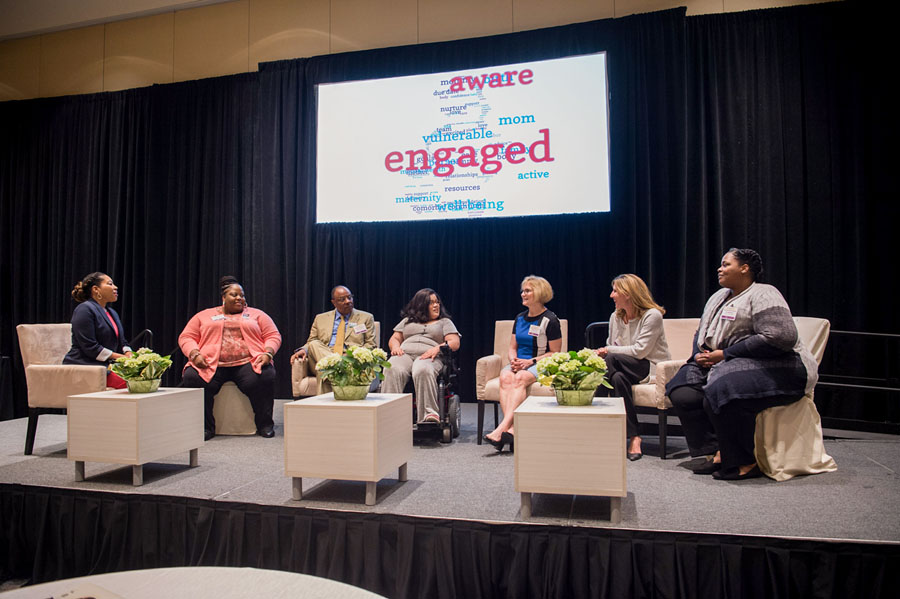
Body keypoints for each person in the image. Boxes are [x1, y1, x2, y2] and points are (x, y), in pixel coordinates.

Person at [665, 248, 819, 480]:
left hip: (780, 364)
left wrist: (725, 354)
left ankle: (745, 461)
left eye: (726, 264)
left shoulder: (764, 293)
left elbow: (781, 336)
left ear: (744, 268)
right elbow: (702, 331)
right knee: (681, 390)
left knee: (724, 388)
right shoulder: (717, 296)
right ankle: (716, 452)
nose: (720, 268)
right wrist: (699, 353)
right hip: (721, 361)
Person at [179, 276, 282, 440]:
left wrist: (268, 353)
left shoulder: (257, 315)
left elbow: (273, 335)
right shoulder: (204, 315)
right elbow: (186, 337)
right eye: (234, 295)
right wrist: (194, 354)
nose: (239, 298)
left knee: (266, 374)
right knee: (192, 377)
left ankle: (265, 424)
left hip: (247, 363)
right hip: (212, 364)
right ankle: (206, 427)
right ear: (223, 298)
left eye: (242, 295)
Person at [595, 274, 671, 461]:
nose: (612, 295)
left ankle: (595, 422)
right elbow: (612, 343)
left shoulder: (652, 315)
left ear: (628, 294)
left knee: (610, 360)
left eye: (615, 291)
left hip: (651, 368)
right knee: (617, 378)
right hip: (624, 368)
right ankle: (634, 436)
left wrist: (607, 350)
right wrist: (609, 350)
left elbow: (639, 351)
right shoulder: (616, 316)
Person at [484, 275, 562, 452]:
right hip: (519, 362)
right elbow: (512, 347)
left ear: (539, 293)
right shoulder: (519, 318)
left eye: (527, 291)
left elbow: (555, 353)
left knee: (520, 378)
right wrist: (513, 360)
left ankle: (502, 428)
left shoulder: (550, 319)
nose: (523, 294)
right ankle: (512, 430)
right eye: (523, 291)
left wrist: (530, 362)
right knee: (505, 377)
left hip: (540, 362)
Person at [381, 289, 461, 423]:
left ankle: (429, 414)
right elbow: (394, 338)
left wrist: (438, 347)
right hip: (405, 354)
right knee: (392, 368)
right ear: (421, 305)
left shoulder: (444, 322)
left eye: (437, 302)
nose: (436, 306)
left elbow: (454, 342)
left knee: (422, 369)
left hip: (429, 355)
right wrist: (395, 347)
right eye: (431, 303)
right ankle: (389, 414)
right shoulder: (407, 321)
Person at [290, 285, 376, 394]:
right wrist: (304, 350)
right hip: (323, 352)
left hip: (349, 358)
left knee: (323, 370)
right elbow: (311, 341)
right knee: (314, 344)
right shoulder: (320, 318)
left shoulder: (366, 318)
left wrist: (351, 356)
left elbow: (370, 345)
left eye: (350, 297)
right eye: (342, 299)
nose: (348, 301)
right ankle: (337, 366)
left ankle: (332, 372)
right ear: (334, 302)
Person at [63, 272, 133, 389]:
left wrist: (129, 354)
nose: (115, 287)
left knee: (145, 379)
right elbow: (90, 347)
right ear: (96, 289)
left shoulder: (112, 313)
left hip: (103, 366)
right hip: (85, 366)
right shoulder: (84, 309)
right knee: (133, 384)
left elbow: (122, 342)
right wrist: (121, 358)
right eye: (110, 284)